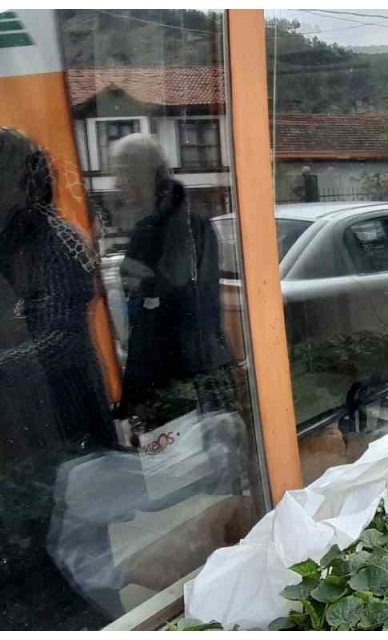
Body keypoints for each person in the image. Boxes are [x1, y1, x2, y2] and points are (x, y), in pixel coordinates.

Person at [0, 127, 116, 629]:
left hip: (62, 419)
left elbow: (59, 342)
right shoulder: (12, 238)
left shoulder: (55, 240)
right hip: (24, 420)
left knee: (76, 556)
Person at [112, 133, 234, 431]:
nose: (117, 183)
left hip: (178, 382)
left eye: (122, 173)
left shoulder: (165, 228)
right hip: (195, 371)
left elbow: (165, 309)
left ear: (142, 173)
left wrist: (138, 396)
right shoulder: (187, 220)